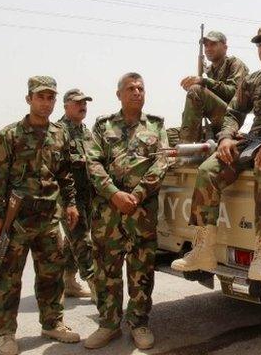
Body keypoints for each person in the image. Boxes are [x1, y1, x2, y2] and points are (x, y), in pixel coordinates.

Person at [171, 25, 261, 282]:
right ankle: (204, 248)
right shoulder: (252, 80)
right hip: (255, 137)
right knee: (208, 170)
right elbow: (234, 112)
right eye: (260, 43)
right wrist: (225, 137)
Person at [0, 76, 81, 355]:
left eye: (51, 97)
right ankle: (5, 332)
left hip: (49, 218)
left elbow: (65, 174)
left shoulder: (60, 133)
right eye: (41, 97)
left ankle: (52, 323)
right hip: (17, 220)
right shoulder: (9, 135)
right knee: (8, 279)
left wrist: (71, 204)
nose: (46, 102)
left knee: (51, 275)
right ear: (29, 99)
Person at [84, 72, 169, 350]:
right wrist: (114, 194)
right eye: (130, 88)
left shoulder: (156, 126)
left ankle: (139, 323)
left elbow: (162, 163)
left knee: (141, 270)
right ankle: (108, 324)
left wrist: (137, 194)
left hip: (141, 213)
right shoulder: (102, 126)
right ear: (119, 94)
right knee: (106, 271)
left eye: (141, 88)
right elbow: (92, 163)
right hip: (108, 215)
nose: (136, 92)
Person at [172, 31, 248, 144]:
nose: (208, 48)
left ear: (225, 47)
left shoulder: (235, 64)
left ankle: (186, 149)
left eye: (213, 44)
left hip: (233, 118)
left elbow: (233, 93)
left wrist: (204, 82)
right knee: (171, 133)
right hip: (217, 121)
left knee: (196, 90)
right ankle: (191, 142)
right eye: (206, 45)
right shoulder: (210, 70)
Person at [56, 88, 96, 300]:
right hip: (67, 197)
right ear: (66, 106)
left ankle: (68, 281)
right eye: (78, 103)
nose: (83, 106)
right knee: (82, 240)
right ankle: (97, 287)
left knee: (74, 240)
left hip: (87, 194)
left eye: (85, 102)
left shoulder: (85, 131)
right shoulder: (57, 132)